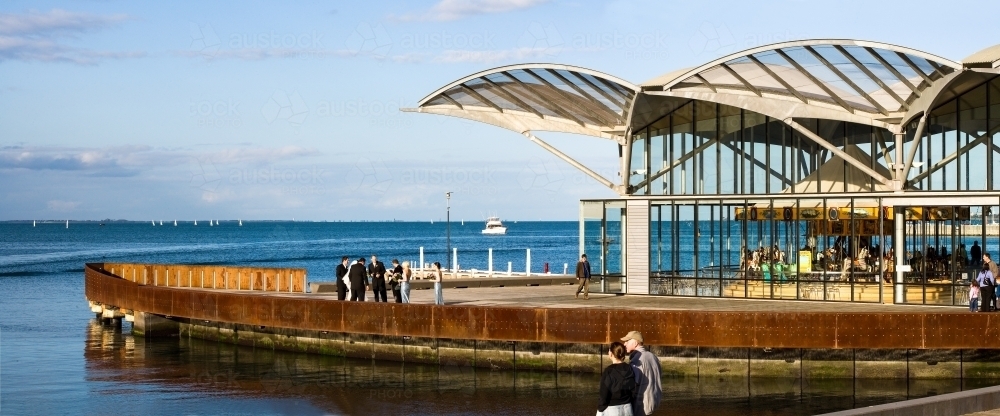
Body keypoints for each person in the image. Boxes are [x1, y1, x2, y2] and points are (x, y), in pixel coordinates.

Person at [620, 331, 661, 416]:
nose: (624, 344)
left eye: (627, 341)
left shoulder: (637, 360)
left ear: (635, 342)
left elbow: (632, 385)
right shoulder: (653, 357)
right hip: (653, 402)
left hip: (641, 406)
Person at [597, 341, 636, 416]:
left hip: (613, 409)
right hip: (628, 407)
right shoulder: (629, 368)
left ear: (611, 353)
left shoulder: (608, 371)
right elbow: (633, 390)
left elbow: (604, 394)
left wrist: (600, 410)